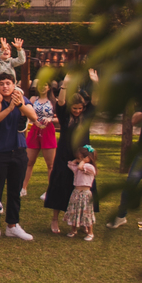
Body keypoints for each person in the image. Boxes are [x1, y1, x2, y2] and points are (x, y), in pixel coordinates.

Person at [0, 73, 38, 242]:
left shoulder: (23, 100)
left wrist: (20, 104)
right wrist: (8, 108)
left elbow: (34, 117)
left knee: (15, 191)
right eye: (1, 84)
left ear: (14, 85)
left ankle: (12, 225)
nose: (5, 86)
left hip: (19, 151)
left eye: (8, 83)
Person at [45, 75, 99, 233]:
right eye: (74, 108)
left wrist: (95, 82)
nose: (77, 111)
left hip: (84, 155)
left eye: (79, 109)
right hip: (64, 154)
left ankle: (83, 220)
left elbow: (95, 101)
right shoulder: (64, 116)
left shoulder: (86, 117)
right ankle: (55, 219)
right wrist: (65, 85)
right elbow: (60, 102)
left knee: (85, 188)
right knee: (60, 185)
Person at [22, 77, 61, 198]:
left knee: (50, 164)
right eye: (40, 85)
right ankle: (23, 188)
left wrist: (51, 119)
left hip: (48, 130)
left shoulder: (54, 101)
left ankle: (51, 190)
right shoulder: (33, 99)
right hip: (34, 129)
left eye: (45, 85)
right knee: (28, 161)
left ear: (49, 87)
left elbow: (61, 118)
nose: (42, 87)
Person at [64, 145, 98, 240]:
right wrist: (77, 160)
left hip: (85, 194)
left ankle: (90, 232)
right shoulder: (80, 167)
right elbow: (70, 165)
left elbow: (80, 167)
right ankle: (73, 229)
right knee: (74, 211)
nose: (78, 160)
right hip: (76, 192)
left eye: (79, 157)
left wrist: (83, 161)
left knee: (87, 213)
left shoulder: (89, 167)